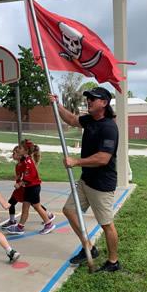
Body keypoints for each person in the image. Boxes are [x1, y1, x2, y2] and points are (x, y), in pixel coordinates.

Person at [49, 86, 120, 272]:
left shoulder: (109, 128)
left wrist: (76, 161)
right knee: (69, 210)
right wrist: (57, 104)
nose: (88, 101)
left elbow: (103, 158)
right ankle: (89, 246)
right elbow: (72, 119)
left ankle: (113, 262)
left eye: (93, 99)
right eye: (88, 98)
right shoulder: (89, 120)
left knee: (106, 224)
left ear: (104, 103)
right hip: (86, 180)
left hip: (102, 185)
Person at [6, 139, 55, 235]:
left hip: (33, 188)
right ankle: (20, 227)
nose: (18, 149)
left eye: (20, 148)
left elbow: (29, 178)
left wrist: (19, 184)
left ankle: (48, 223)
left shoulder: (28, 162)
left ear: (26, 150)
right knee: (26, 208)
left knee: (37, 207)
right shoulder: (24, 160)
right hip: (30, 188)